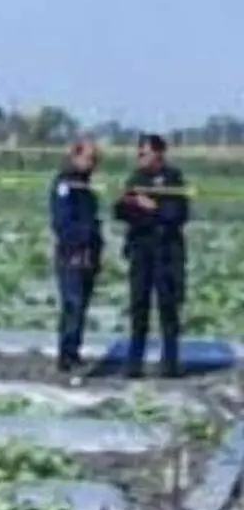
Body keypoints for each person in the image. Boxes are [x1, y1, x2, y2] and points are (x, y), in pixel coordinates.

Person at [113, 134, 190, 378]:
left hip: (167, 252)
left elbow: (178, 213)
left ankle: (170, 362)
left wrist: (152, 208)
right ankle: (134, 362)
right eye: (138, 153)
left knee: (168, 307)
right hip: (141, 250)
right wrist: (127, 203)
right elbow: (121, 211)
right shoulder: (136, 179)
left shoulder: (173, 178)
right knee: (138, 306)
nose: (139, 157)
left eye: (144, 153)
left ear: (158, 154)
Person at [49, 137, 103, 374]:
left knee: (82, 306)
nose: (93, 163)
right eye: (89, 158)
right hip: (71, 254)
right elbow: (62, 222)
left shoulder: (86, 186)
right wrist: (80, 244)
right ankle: (66, 355)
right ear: (75, 156)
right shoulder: (65, 184)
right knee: (73, 303)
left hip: (89, 253)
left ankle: (74, 352)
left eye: (95, 159)